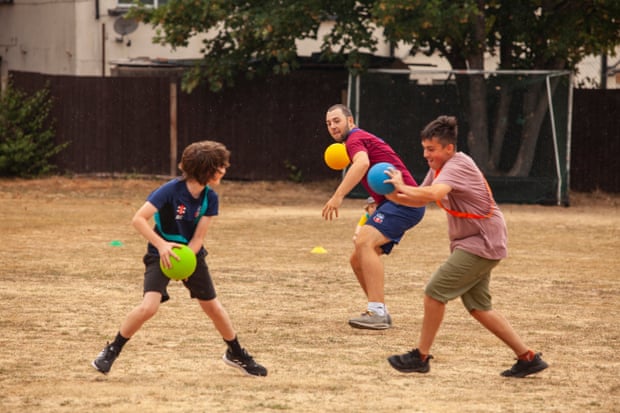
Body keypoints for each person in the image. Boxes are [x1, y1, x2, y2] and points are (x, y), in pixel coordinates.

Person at [383, 115, 548, 377]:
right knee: (479, 308)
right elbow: (419, 198)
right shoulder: (439, 166)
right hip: (472, 242)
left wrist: (403, 187)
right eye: (424, 148)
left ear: (449, 148)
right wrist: (392, 194)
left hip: (482, 241)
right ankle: (528, 358)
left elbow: (433, 195)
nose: (426, 154)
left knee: (434, 292)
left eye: (431, 149)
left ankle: (421, 356)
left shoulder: (457, 165)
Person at [91, 140, 267, 377]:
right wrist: (163, 246)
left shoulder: (210, 198)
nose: (224, 170)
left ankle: (236, 353)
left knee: (213, 307)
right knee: (148, 307)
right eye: (220, 166)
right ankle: (112, 350)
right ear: (205, 169)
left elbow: (197, 239)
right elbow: (138, 219)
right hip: (159, 253)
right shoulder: (170, 191)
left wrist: (186, 263)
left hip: (190, 256)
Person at [322, 104, 425, 330]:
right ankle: (379, 310)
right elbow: (376, 175)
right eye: (329, 123)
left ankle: (377, 312)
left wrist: (338, 196)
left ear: (350, 121)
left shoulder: (354, 139)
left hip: (405, 202)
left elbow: (363, 164)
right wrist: (373, 206)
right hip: (394, 203)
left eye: (337, 121)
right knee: (357, 258)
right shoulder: (359, 140)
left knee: (364, 242)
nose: (332, 126)